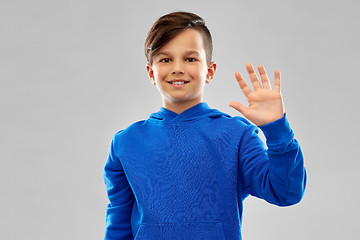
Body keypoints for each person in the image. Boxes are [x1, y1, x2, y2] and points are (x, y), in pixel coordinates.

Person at [103, 11, 306, 240]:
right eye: (165, 59)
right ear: (151, 72)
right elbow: (118, 224)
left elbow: (286, 191)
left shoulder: (236, 136)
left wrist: (277, 131)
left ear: (209, 71)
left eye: (190, 59)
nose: (177, 68)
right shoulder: (126, 143)